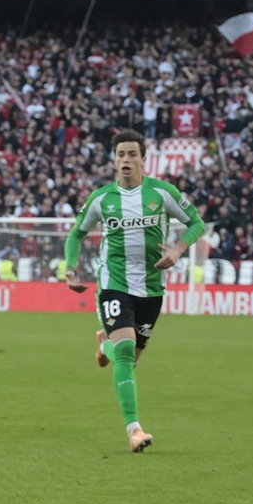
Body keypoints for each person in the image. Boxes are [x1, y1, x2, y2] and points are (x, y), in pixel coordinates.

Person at [64, 129, 206, 453]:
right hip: (114, 284)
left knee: (129, 358)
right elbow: (76, 234)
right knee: (127, 352)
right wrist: (70, 269)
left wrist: (177, 249)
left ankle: (104, 344)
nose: (125, 160)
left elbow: (197, 222)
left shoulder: (162, 193)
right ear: (114, 160)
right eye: (120, 155)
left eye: (132, 154)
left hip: (152, 288)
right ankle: (134, 429)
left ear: (144, 159)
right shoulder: (101, 198)